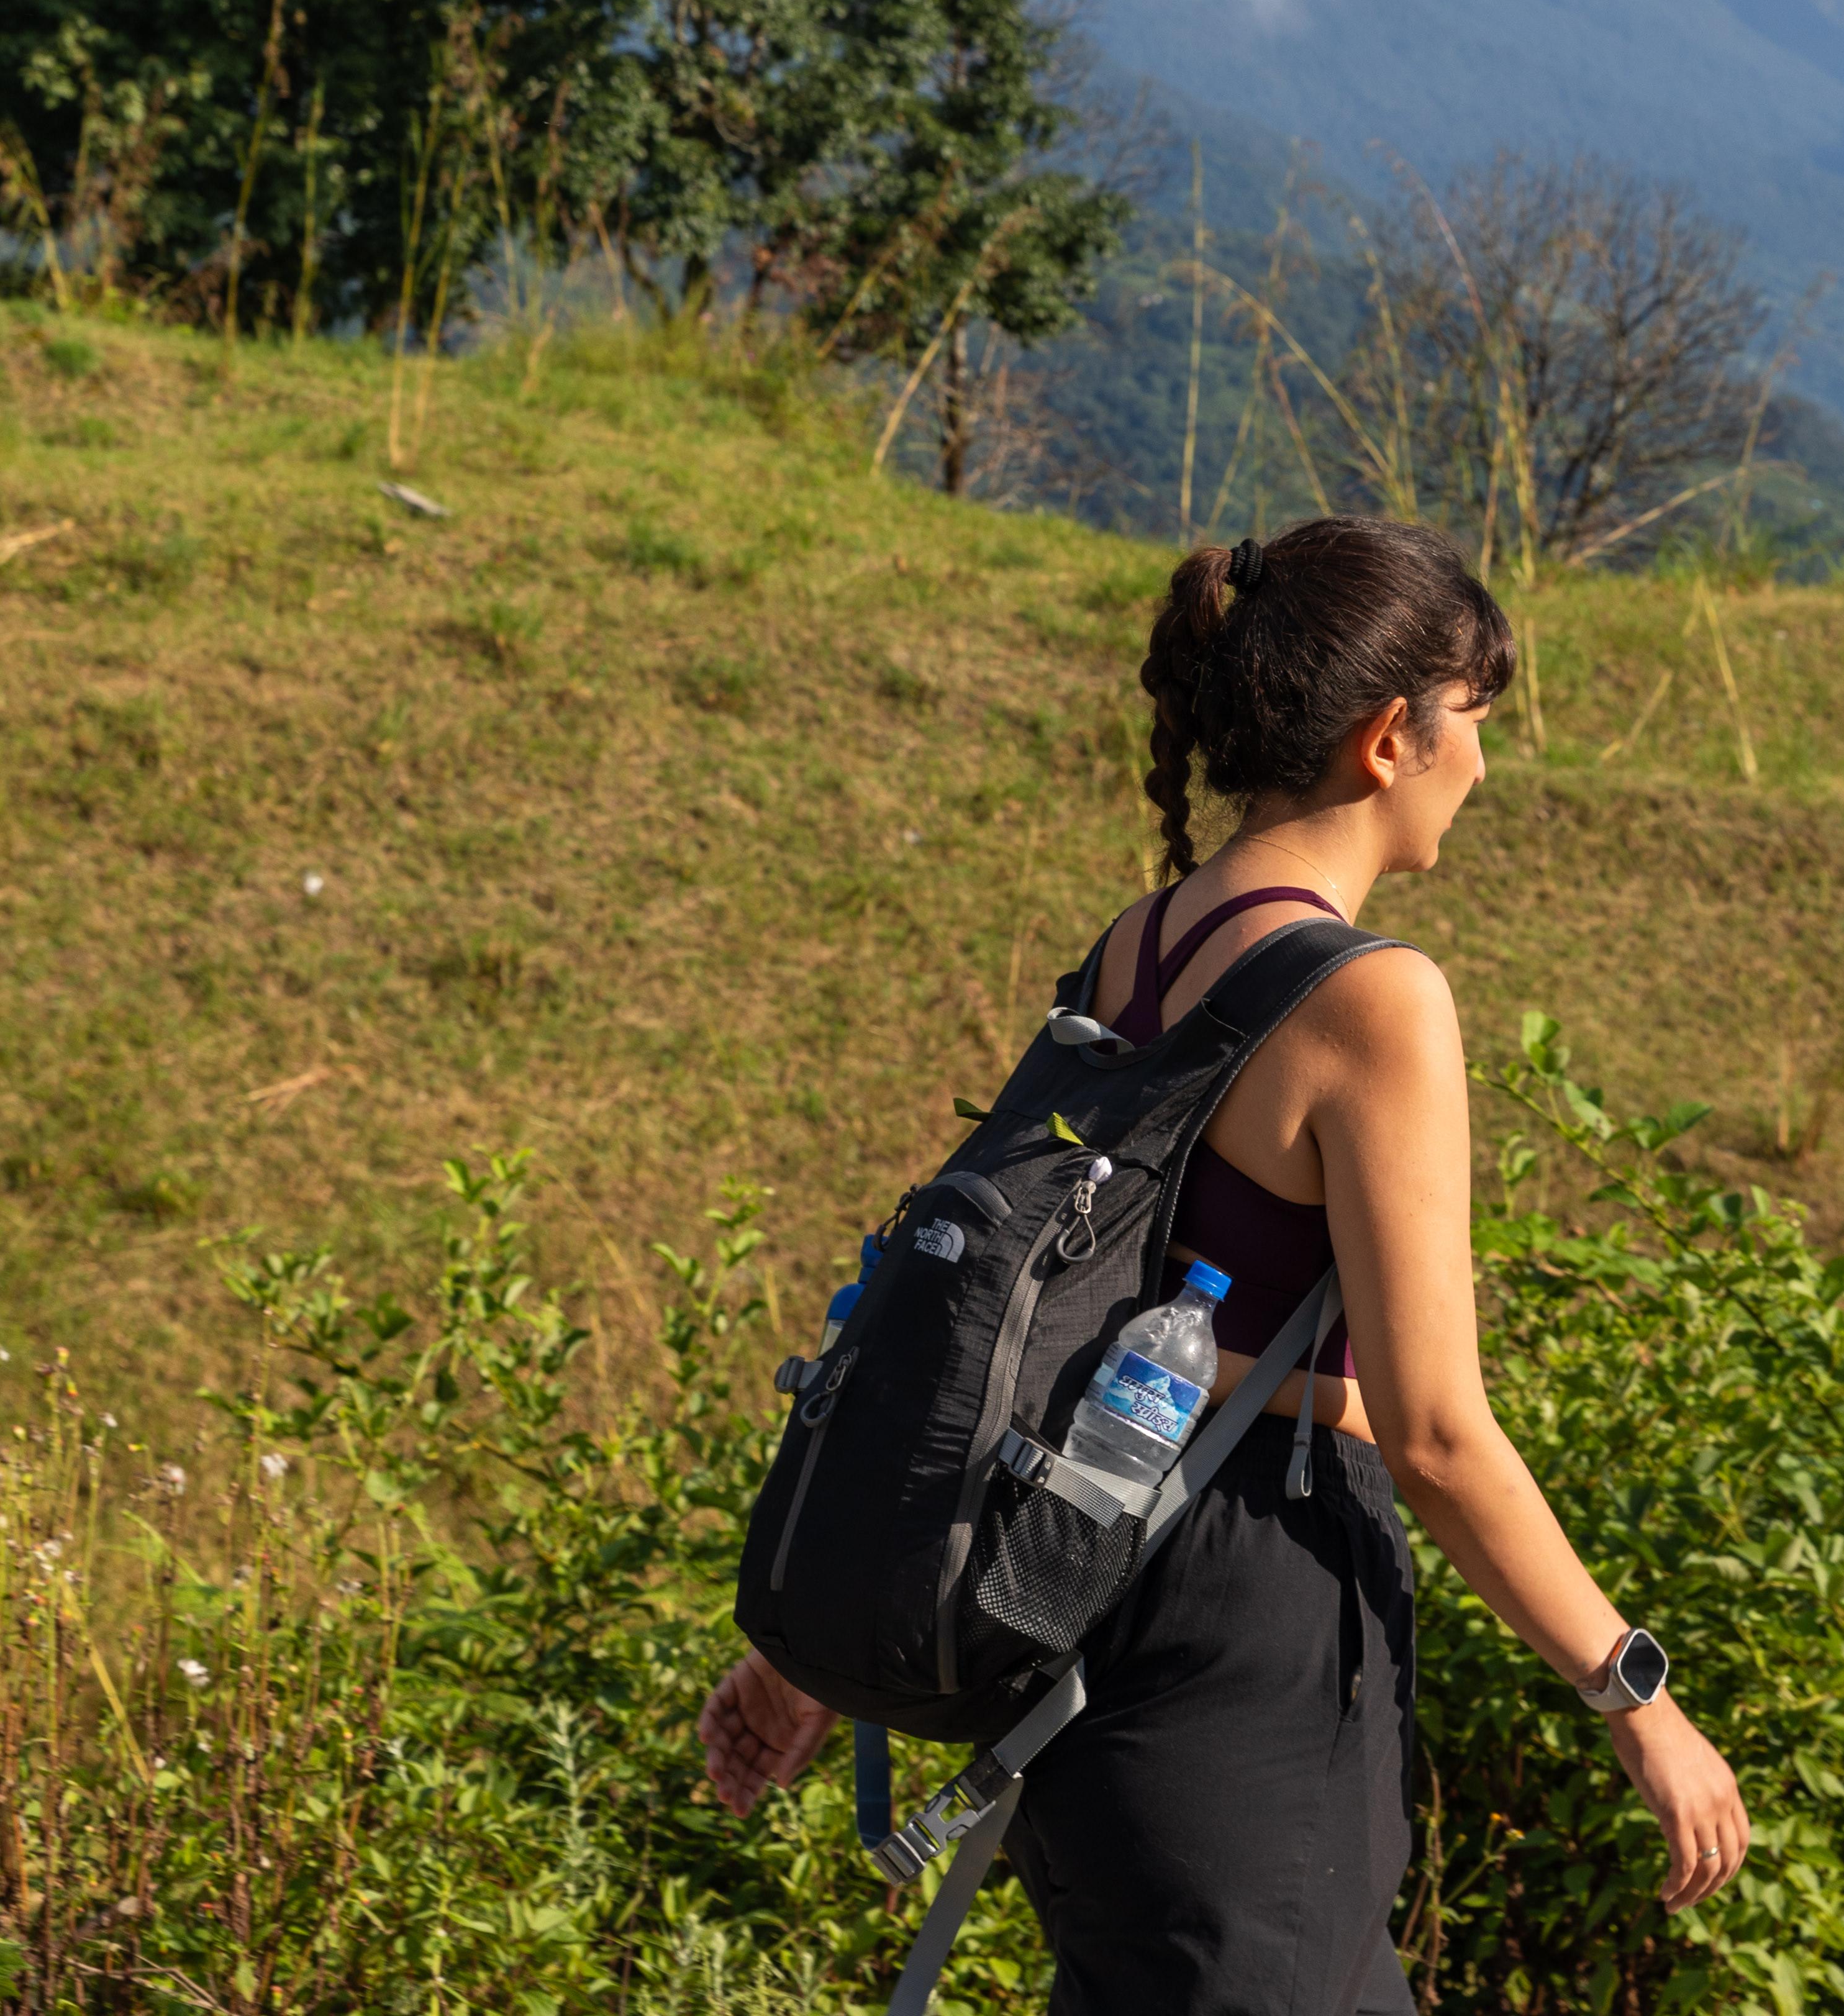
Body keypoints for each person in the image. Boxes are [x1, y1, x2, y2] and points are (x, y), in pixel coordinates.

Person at [699, 512, 1750, 2012]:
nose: (1484, 766)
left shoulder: (1140, 946)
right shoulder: (1370, 999)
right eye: (1475, 726)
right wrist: (1628, 1688)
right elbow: (1437, 1428)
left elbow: (1007, 1317)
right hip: (1247, 1612)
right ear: (1390, 737)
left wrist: (833, 1636)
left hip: (1086, 1580)